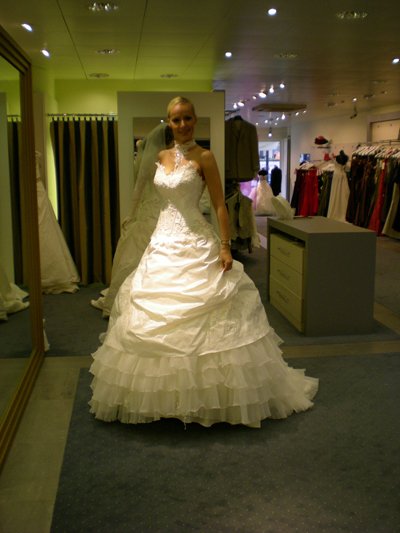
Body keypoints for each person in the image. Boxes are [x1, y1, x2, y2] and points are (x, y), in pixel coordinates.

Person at [89, 96, 318, 428]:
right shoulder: (160, 156)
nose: (182, 124)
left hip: (195, 236)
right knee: (150, 309)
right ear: (168, 123)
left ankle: (210, 396)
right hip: (162, 239)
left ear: (195, 120)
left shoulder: (205, 157)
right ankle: (163, 397)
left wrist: (225, 246)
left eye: (187, 118)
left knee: (212, 311)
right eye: (176, 119)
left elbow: (220, 205)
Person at [90, 123, 174, 316]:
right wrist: (132, 213)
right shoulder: (154, 158)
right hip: (153, 211)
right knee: (139, 255)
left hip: (162, 211)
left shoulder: (171, 158)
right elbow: (139, 187)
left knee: (144, 255)